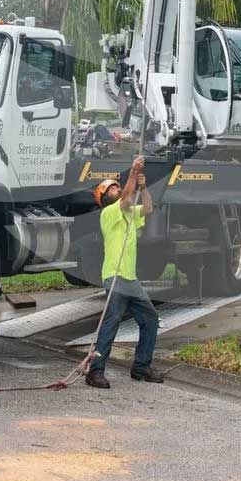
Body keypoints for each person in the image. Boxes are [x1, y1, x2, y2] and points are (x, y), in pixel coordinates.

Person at [85, 155, 163, 389]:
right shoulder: (108, 214)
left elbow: (148, 209)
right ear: (104, 198)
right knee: (111, 323)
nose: (117, 189)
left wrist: (144, 187)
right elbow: (126, 200)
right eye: (112, 188)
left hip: (130, 279)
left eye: (118, 186)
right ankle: (95, 372)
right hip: (115, 276)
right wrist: (132, 172)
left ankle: (141, 367)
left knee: (150, 319)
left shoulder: (128, 213)